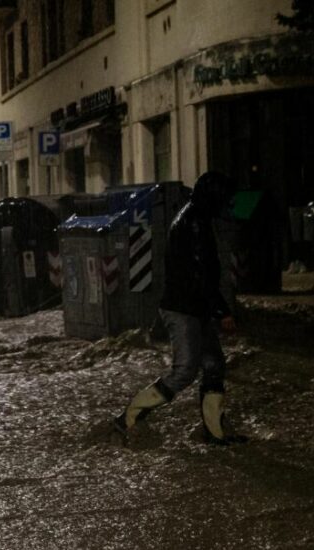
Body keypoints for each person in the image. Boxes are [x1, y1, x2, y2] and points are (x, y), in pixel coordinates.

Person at [113, 171, 246, 445]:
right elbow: (200, 274)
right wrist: (223, 312)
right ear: (215, 198)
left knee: (213, 365)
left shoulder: (195, 216)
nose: (228, 205)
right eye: (225, 199)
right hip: (184, 308)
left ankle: (215, 432)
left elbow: (203, 275)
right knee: (185, 370)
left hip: (195, 307)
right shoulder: (193, 222)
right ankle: (128, 418)